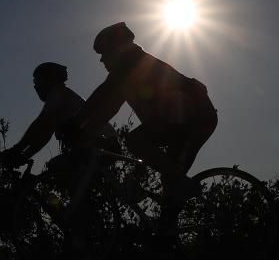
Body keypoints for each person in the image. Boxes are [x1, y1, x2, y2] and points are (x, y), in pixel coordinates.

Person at [67, 21, 217, 196]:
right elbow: (109, 109)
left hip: (193, 118)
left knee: (135, 141)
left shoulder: (133, 63)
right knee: (170, 185)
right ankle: (169, 215)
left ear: (119, 49)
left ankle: (181, 186)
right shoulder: (130, 74)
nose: (101, 59)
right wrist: (83, 132)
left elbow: (103, 93)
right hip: (189, 119)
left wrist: (75, 122)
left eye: (105, 53)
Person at [0, 62, 116, 168]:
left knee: (56, 168)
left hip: (102, 144)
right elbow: (45, 133)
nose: (35, 86)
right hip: (104, 144)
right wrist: (24, 156)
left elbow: (40, 123)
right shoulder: (62, 94)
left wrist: (17, 149)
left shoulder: (57, 92)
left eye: (37, 81)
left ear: (49, 79)